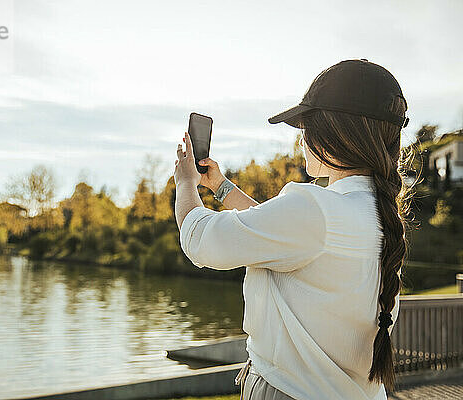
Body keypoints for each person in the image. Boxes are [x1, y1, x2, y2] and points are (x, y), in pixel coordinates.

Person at [173, 59, 415, 400]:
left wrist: (185, 183)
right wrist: (221, 187)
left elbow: (199, 239)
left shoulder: (314, 209)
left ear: (333, 135)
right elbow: (279, 236)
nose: (301, 141)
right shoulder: (373, 212)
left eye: (306, 129)